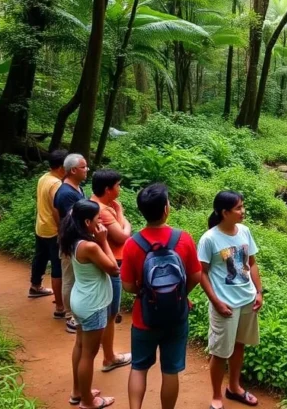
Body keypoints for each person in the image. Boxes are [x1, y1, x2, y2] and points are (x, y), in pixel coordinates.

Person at [120, 183, 202, 409]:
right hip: (176, 316)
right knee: (170, 370)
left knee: (138, 367)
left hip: (144, 318)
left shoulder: (132, 244)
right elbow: (196, 275)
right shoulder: (183, 238)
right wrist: (180, 295)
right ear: (166, 209)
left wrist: (146, 293)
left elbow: (127, 285)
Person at [198, 191, 263, 408]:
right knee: (219, 352)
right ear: (224, 213)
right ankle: (216, 396)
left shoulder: (244, 231)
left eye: (242, 206)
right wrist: (216, 302)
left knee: (239, 346)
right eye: (238, 208)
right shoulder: (209, 238)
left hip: (246, 299)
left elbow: (251, 263)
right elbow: (202, 273)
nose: (243, 211)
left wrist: (259, 291)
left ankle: (234, 388)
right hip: (224, 304)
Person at [60, 199, 119, 409]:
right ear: (86, 221)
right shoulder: (91, 246)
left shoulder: (74, 240)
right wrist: (103, 240)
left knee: (80, 346)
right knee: (89, 354)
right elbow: (113, 269)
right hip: (93, 305)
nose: (99, 223)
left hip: (80, 300)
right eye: (97, 219)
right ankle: (88, 401)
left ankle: (78, 391)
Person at [90, 169, 132, 372]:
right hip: (111, 263)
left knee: (108, 312)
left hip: (107, 261)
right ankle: (109, 357)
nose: (120, 189)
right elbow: (123, 236)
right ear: (108, 189)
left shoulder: (100, 205)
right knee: (110, 312)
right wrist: (123, 217)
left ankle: (107, 353)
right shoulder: (104, 210)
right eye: (118, 185)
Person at [31, 149, 68, 316]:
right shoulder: (56, 184)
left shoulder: (44, 178)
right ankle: (60, 307)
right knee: (57, 266)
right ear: (61, 167)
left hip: (41, 227)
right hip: (53, 230)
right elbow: (56, 208)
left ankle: (35, 286)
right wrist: (62, 229)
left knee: (40, 257)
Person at [56, 153, 89, 333]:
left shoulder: (76, 188)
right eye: (84, 167)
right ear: (74, 170)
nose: (87, 170)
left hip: (75, 240)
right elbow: (70, 218)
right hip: (71, 241)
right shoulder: (66, 193)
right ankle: (70, 316)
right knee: (69, 278)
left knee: (75, 278)